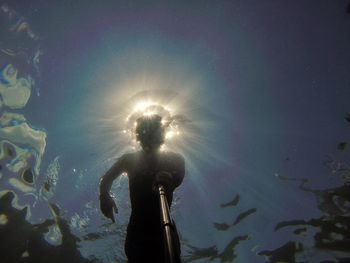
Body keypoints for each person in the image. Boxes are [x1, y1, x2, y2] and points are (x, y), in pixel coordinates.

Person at [99, 114, 185, 263]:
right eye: (147, 132)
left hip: (163, 229)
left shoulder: (176, 159)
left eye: (154, 131)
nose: (150, 137)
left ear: (162, 134)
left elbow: (179, 177)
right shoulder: (129, 159)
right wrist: (104, 195)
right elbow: (107, 179)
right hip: (138, 231)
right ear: (139, 136)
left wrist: (170, 180)